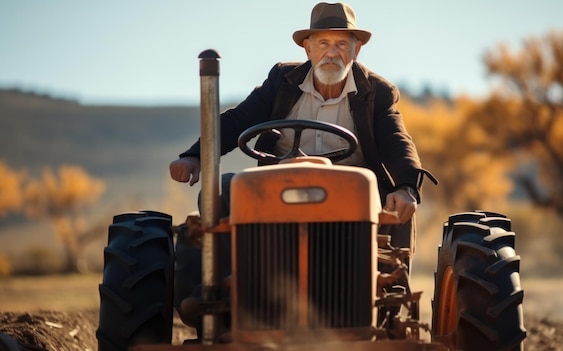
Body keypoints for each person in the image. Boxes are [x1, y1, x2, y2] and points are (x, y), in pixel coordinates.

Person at [169, 1, 435, 328]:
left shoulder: (376, 92)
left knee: (394, 201)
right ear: (308, 48)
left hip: (347, 194)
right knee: (224, 187)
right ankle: (223, 295)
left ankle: (388, 295)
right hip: (277, 187)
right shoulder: (282, 81)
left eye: (341, 44)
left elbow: (397, 140)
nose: (331, 53)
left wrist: (407, 186)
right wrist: (194, 155)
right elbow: (239, 119)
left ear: (356, 50)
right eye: (323, 43)